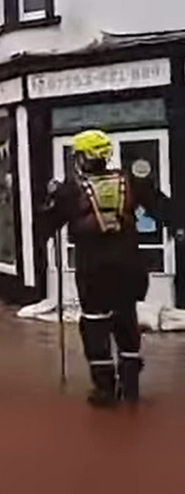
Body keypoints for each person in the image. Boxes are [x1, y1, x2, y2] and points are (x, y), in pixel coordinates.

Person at [43, 129, 179, 407]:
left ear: (83, 157)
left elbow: (45, 224)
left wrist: (49, 201)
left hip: (93, 271)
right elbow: (166, 210)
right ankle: (130, 386)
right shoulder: (133, 182)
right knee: (126, 320)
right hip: (130, 267)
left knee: (94, 325)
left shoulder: (71, 190)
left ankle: (105, 390)